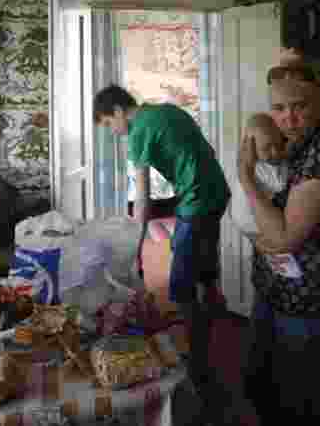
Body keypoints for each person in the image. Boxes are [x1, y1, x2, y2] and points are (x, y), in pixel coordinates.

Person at [92, 84, 238, 425]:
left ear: (116, 112)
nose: (113, 132)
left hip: (197, 202)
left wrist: (134, 244)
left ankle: (198, 367)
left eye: (107, 125)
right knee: (202, 270)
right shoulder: (168, 110)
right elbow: (202, 150)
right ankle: (214, 314)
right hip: (216, 193)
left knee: (180, 288)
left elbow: (141, 200)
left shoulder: (138, 133)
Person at [238, 60, 320, 425]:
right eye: (279, 108)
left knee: (303, 399)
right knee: (265, 386)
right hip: (277, 286)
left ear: (319, 101)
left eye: (300, 106)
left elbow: (283, 239)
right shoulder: (292, 144)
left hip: (312, 296)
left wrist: (246, 177)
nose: (288, 118)